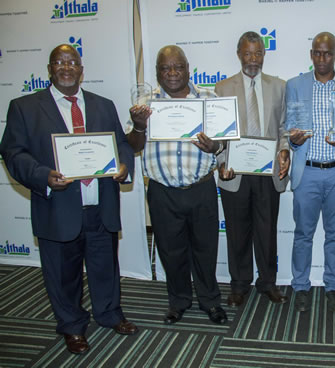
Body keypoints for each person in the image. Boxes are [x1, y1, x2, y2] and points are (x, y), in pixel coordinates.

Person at [0, 44, 137, 354]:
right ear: (50, 69)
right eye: (59, 62)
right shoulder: (25, 107)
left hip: (100, 205)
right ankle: (72, 326)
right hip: (57, 207)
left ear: (81, 69)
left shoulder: (103, 105)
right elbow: (12, 152)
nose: (66, 67)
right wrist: (41, 175)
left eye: (72, 62)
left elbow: (122, 144)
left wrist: (124, 164)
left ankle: (109, 313)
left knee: (105, 267)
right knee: (63, 274)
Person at [126, 45, 227, 325]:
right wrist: (138, 126)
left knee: (206, 250)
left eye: (177, 67)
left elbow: (223, 143)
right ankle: (179, 300)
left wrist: (215, 146)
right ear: (157, 72)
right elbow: (133, 145)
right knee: (171, 251)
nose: (172, 73)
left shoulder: (209, 98)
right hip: (162, 192)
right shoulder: (144, 104)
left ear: (188, 69)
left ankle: (210, 301)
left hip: (202, 188)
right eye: (165, 68)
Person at [286, 32, 335, 313]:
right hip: (306, 172)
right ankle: (300, 286)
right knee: (303, 234)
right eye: (317, 53)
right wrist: (293, 139)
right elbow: (290, 124)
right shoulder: (294, 85)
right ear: (311, 55)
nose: (322, 58)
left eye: (328, 53)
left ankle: (332, 286)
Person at [214, 31, 290, 307]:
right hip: (235, 173)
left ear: (264, 54)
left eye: (258, 53)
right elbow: (218, 134)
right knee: (237, 231)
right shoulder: (222, 89)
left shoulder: (279, 86)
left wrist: (285, 151)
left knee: (267, 230)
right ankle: (239, 285)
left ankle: (268, 283)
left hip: (268, 172)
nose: (253, 59)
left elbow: (283, 128)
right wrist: (222, 164)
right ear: (238, 54)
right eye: (247, 53)